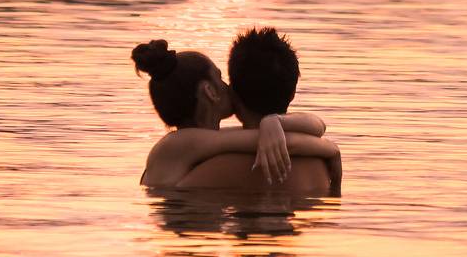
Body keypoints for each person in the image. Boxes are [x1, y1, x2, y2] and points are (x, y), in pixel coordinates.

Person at [132, 36, 341, 193]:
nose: (227, 87)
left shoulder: (208, 150)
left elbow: (275, 139)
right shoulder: (177, 144)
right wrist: (329, 148)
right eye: (220, 78)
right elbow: (280, 141)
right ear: (210, 91)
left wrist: (274, 122)